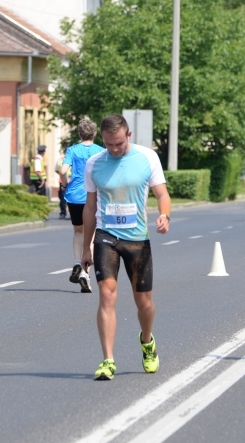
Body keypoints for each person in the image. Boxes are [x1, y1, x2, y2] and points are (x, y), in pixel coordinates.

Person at [81, 114, 171, 380]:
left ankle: (147, 340)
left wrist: (165, 215)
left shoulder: (147, 157)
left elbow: (162, 193)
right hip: (106, 236)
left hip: (137, 239)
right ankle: (108, 360)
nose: (114, 149)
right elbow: (89, 207)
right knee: (107, 295)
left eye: (119, 143)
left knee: (144, 304)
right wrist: (86, 248)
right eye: (109, 144)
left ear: (128, 135)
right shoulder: (94, 163)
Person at [61, 118, 105, 293]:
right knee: (92, 234)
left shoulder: (72, 150)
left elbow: (63, 171)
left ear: (79, 133)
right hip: (93, 196)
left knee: (78, 231)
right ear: (94, 134)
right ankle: (85, 274)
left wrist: (64, 184)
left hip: (74, 196)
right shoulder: (101, 151)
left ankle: (78, 262)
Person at [55, 154, 67, 219]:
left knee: (62, 198)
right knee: (72, 198)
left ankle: (63, 213)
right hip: (72, 181)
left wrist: (61, 175)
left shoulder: (60, 160)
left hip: (62, 181)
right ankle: (73, 214)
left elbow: (56, 170)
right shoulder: (74, 158)